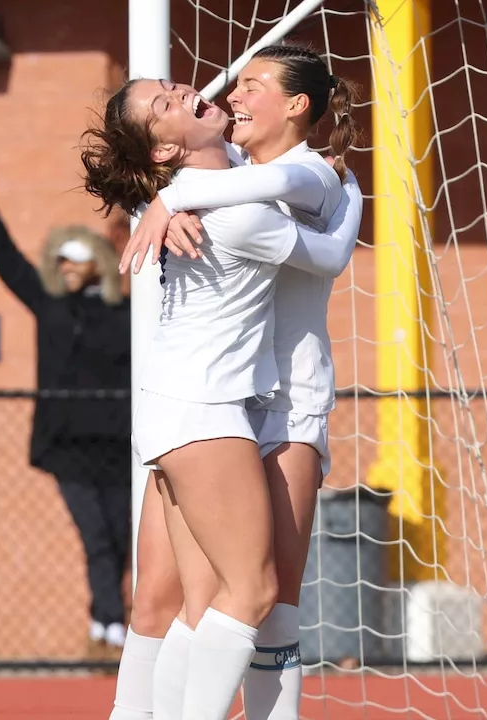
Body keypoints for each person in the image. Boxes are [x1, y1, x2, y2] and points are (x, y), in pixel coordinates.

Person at [80, 76, 358, 720]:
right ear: (161, 151)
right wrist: (353, 193)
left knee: (206, 599)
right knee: (251, 592)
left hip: (191, 404)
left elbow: (249, 169)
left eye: (172, 88)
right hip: (199, 408)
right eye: (163, 103)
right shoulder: (238, 208)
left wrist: (166, 193)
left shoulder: (227, 181)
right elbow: (332, 254)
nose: (186, 88)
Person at [0, 170, 132, 658]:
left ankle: (107, 624)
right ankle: (109, 629)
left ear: (97, 264)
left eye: (79, 260)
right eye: (62, 260)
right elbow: (9, 265)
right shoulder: (50, 305)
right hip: (67, 445)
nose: (69, 268)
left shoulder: (126, 313)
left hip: (119, 443)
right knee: (96, 535)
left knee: (121, 536)